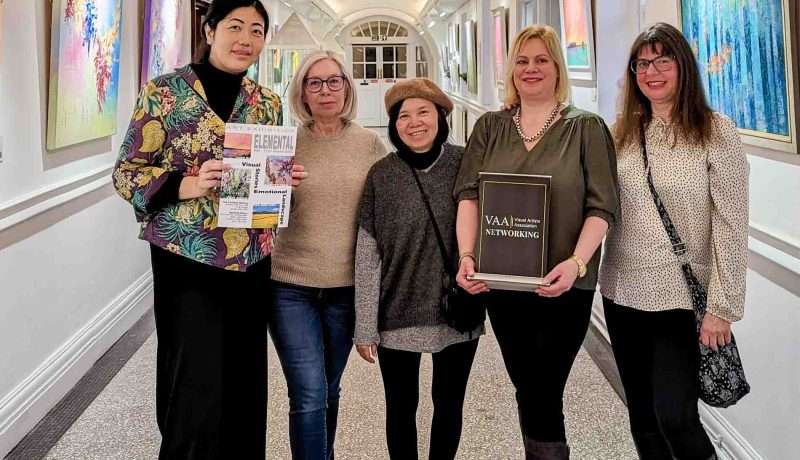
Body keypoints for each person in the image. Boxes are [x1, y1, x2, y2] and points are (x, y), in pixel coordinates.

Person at [112, 1, 305, 458]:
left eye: (256, 31)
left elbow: (268, 189)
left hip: (252, 259)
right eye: (235, 27)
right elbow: (126, 174)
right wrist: (186, 184)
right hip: (187, 257)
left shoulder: (266, 104)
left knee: (243, 374)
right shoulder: (164, 93)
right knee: (193, 373)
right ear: (209, 28)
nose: (246, 39)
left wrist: (284, 179)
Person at [453, 25, 619, 459]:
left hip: (564, 286)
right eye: (522, 61)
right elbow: (469, 195)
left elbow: (602, 208)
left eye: (541, 60)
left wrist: (578, 264)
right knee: (529, 386)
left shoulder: (586, 128)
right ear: (512, 69)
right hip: (504, 286)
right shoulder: (490, 127)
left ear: (557, 68)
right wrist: (467, 256)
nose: (531, 69)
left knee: (544, 387)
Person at [600, 22, 748, 460]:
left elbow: (731, 225)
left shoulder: (715, 132)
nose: (652, 71)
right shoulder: (620, 133)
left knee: (676, 417)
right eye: (643, 63)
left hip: (679, 300)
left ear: (683, 66)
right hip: (621, 293)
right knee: (643, 419)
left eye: (663, 60)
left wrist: (722, 307)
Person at [354, 78, 483, 460]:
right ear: (393, 125)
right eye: (403, 115)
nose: (414, 122)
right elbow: (367, 252)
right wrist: (365, 323)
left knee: (448, 403)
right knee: (400, 407)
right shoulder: (381, 175)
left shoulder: (464, 164)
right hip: (397, 310)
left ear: (441, 117)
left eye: (423, 112)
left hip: (456, 309)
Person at [268, 50, 387, 460]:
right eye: (314, 82)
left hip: (345, 289)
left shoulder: (370, 145)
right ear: (302, 91)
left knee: (328, 388)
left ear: (346, 87)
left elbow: (384, 218)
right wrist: (278, 185)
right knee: (308, 391)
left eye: (333, 80)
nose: (325, 90)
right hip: (290, 285)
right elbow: (261, 214)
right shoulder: (284, 145)